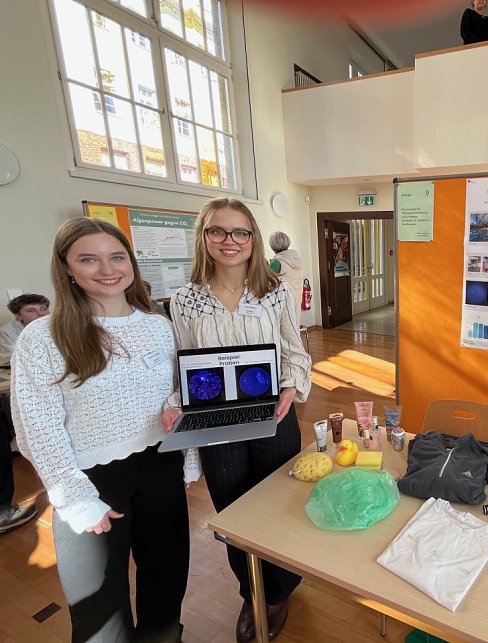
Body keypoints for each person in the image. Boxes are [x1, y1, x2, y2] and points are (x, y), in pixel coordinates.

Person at [11, 217, 198, 641]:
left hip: (159, 466)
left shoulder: (158, 326)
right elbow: (38, 427)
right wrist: (76, 498)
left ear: (130, 262)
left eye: (116, 256)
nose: (107, 268)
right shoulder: (44, 337)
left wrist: (175, 408)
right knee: (100, 613)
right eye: (88, 259)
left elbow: (176, 391)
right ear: (67, 269)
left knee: (166, 581)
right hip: (91, 480)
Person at [166, 198, 311, 643]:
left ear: (253, 239)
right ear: (203, 237)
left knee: (280, 506)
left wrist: (290, 386)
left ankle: (280, 589)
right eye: (218, 231)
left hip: (273, 414)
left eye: (240, 233)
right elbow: (180, 365)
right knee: (234, 513)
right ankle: (252, 592)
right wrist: (177, 402)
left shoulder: (275, 292)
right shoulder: (184, 300)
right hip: (216, 422)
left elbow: (295, 351)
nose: (230, 241)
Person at [1, 293, 50, 534]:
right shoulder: (9, 333)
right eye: (32, 310)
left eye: (43, 309)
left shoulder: (53, 326)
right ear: (18, 316)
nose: (40, 314)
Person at [268, 231, 304, 315]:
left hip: (283, 301)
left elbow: (266, 282)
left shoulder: (276, 262)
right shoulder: (296, 258)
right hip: (296, 298)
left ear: (272, 246)